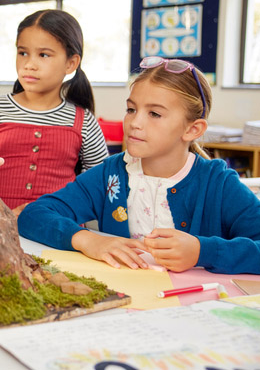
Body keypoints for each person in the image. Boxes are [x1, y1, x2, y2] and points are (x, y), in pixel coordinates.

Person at [18, 57, 260, 274]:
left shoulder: (218, 183)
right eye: (131, 109)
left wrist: (202, 251)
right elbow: (33, 215)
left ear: (192, 129)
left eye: (154, 114)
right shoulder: (111, 173)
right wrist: (88, 240)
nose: (135, 122)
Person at [0, 9, 108, 214]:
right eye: (22, 53)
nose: (29, 64)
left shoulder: (84, 121)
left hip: (59, 230)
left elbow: (100, 185)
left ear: (71, 63)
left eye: (43, 55)